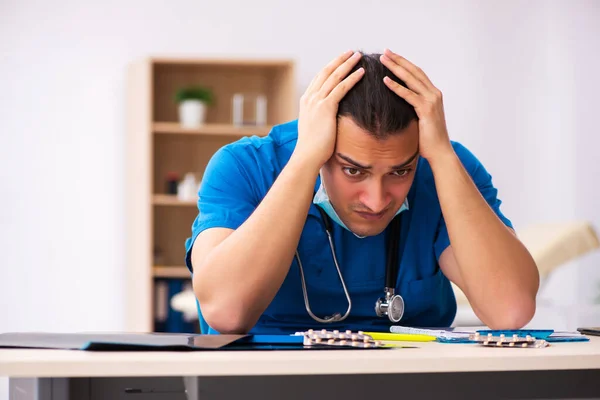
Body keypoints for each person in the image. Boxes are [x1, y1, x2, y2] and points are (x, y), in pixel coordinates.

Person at [184, 49, 540, 335]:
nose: (377, 200)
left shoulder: (445, 169)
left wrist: (443, 157)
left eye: (401, 171)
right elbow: (226, 313)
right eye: (353, 170)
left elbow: (509, 309)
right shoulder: (246, 166)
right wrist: (305, 160)